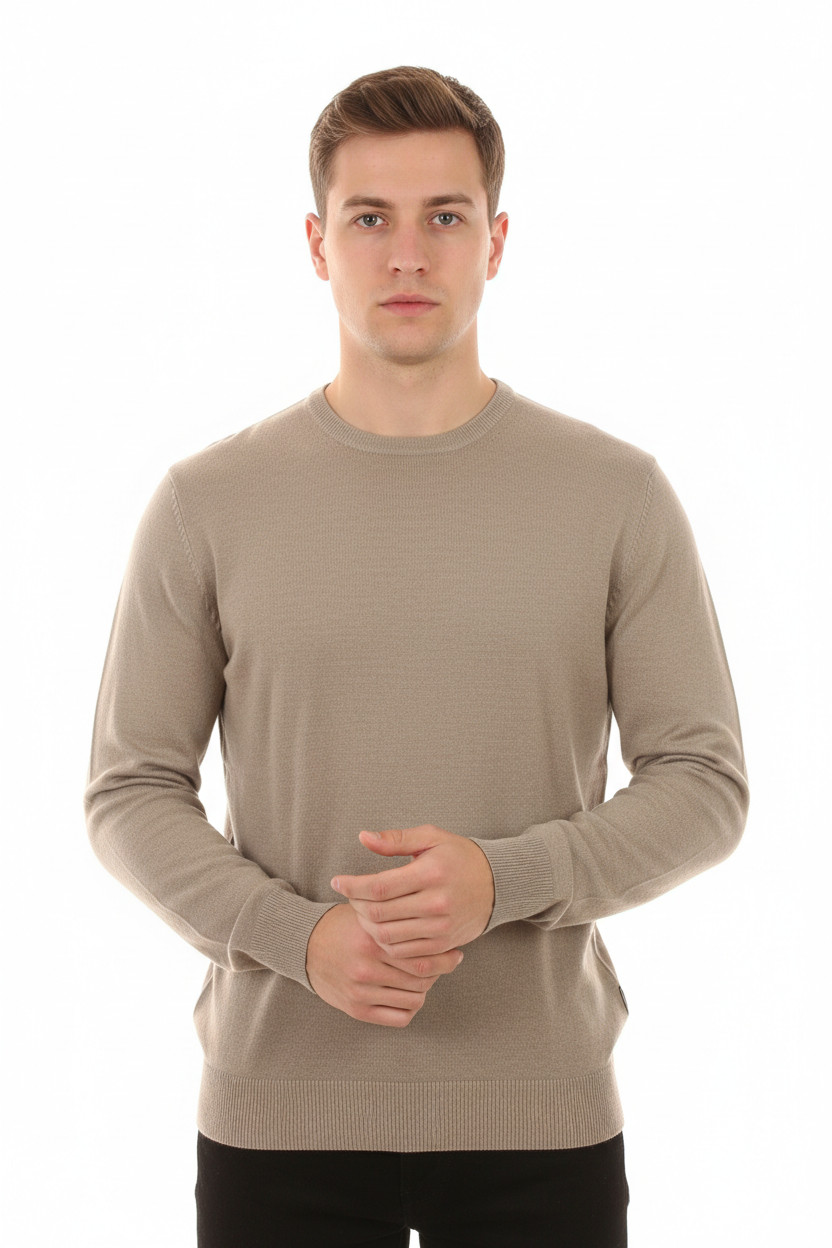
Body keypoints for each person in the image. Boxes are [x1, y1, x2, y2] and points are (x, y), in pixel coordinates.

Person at [83, 64, 750, 1248]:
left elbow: (704, 785)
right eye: (368, 219)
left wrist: (506, 879)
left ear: (496, 241)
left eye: (444, 216)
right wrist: (299, 940)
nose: (406, 255)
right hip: (276, 1123)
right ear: (315, 243)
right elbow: (128, 792)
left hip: (541, 1123)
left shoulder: (615, 494)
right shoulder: (206, 502)